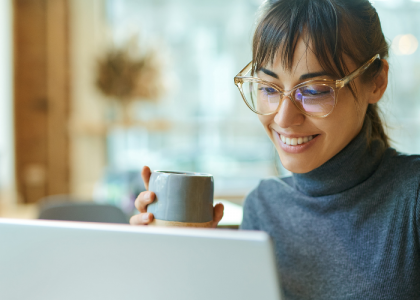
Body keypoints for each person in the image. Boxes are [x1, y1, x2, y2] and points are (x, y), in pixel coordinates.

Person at [130, 0, 420, 299]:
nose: (283, 118)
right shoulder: (264, 208)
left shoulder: (412, 199)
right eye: (268, 88)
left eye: (315, 91)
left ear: (377, 81)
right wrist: (186, 263)